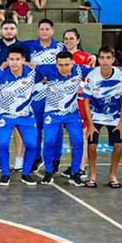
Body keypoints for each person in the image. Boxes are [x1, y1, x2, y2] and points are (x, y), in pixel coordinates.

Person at [0, 46, 40, 186]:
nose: (14, 62)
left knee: (32, 145)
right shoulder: (0, 73)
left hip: (26, 115)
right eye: (11, 59)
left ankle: (26, 173)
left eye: (17, 59)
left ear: (23, 60)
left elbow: (48, 74)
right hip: (5, 115)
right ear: (7, 60)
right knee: (2, 144)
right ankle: (5, 174)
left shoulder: (32, 73)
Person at [36, 51, 93, 186]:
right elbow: (33, 68)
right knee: (49, 142)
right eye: (60, 65)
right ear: (55, 64)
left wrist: (119, 69)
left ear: (73, 62)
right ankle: (49, 172)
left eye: (67, 64)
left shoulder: (80, 70)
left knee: (78, 142)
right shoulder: (47, 69)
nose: (63, 68)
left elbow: (98, 71)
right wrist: (41, 79)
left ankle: (75, 173)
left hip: (72, 114)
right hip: (52, 113)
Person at [23, 19, 66, 172]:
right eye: (41, 29)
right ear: (38, 31)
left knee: (56, 128)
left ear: (52, 31)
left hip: (56, 94)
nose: (44, 32)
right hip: (36, 94)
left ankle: (55, 159)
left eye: (47, 29)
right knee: (37, 127)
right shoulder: (30, 46)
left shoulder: (60, 46)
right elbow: (13, 47)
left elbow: (66, 64)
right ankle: (36, 157)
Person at [83, 46, 122, 188]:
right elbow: (86, 100)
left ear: (113, 60)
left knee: (119, 145)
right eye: (102, 57)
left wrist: (121, 122)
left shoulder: (120, 76)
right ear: (98, 59)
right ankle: (92, 175)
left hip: (114, 117)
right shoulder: (92, 76)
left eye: (108, 58)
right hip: (95, 116)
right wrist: (90, 124)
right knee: (91, 146)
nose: (105, 61)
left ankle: (112, 175)